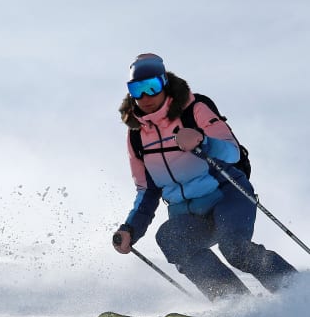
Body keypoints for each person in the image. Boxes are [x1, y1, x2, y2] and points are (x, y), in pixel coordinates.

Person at [113, 52, 296, 301]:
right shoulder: (136, 136)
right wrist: (130, 229)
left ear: (164, 83)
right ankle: (233, 301)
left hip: (227, 197)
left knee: (235, 249)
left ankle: (295, 291)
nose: (145, 96)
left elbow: (231, 152)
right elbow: (147, 190)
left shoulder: (194, 109)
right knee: (169, 237)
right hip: (188, 214)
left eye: (152, 87)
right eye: (137, 89)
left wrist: (203, 141)